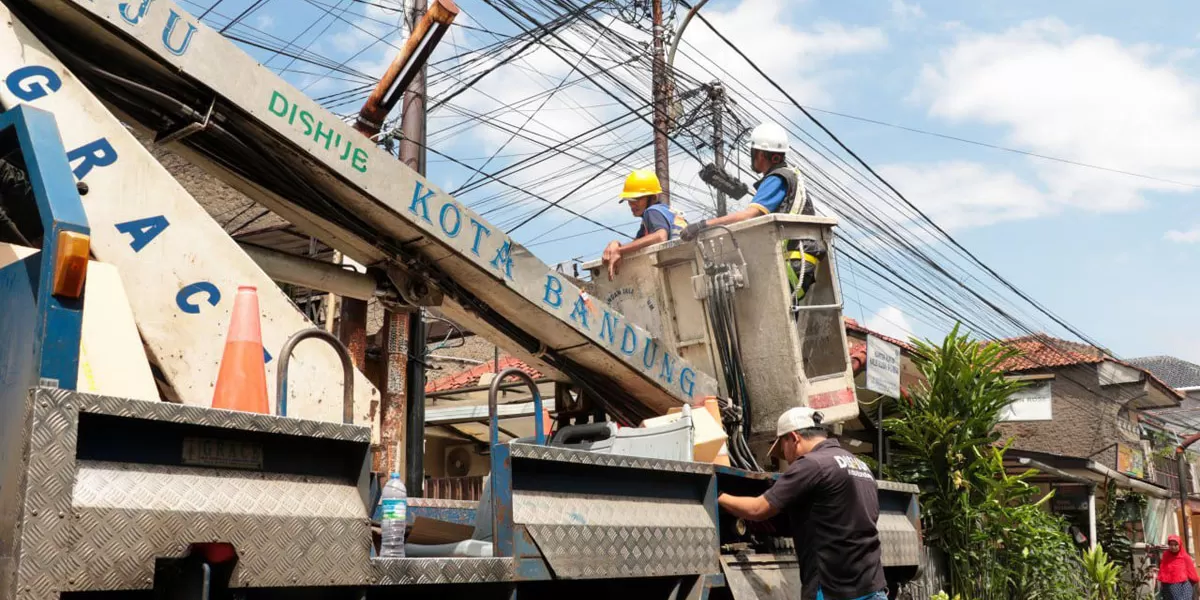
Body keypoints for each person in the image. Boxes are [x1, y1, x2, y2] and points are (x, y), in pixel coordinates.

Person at [717, 407, 886, 600]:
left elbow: (758, 509)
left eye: (783, 448)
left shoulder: (811, 464)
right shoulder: (860, 465)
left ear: (794, 438)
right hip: (872, 587)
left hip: (834, 590)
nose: (787, 459)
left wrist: (719, 496)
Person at [680, 121, 822, 303]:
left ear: (762, 154)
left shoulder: (777, 179)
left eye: (753, 152)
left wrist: (703, 225)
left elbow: (749, 215)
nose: (752, 157)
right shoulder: (788, 176)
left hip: (793, 261)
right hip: (800, 260)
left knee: (752, 303)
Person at [600, 169, 687, 280]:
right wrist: (616, 244)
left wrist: (619, 250)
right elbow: (637, 243)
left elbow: (660, 237)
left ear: (653, 197)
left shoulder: (652, 211)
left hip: (676, 271)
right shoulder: (665, 212)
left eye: (636, 199)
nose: (632, 205)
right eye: (629, 200)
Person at [1158, 535, 1199, 600]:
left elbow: (1191, 570)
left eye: (1176, 545)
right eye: (1171, 545)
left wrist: (1195, 581)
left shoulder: (1185, 556)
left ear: (1179, 545)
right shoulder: (1166, 555)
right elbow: (1163, 570)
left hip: (1184, 585)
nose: (1173, 547)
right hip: (1170, 586)